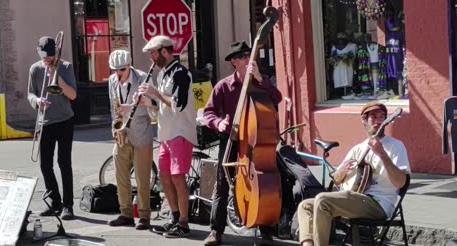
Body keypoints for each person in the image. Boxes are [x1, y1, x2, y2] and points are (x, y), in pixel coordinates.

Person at [201, 41, 283, 246]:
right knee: (221, 183)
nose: (248, 60)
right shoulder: (223, 86)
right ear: (234, 62)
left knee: (264, 183)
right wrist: (218, 123)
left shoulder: (260, 81)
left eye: (250, 56)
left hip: (256, 142)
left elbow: (277, 99)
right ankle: (216, 231)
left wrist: (260, 79)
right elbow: (207, 113)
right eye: (243, 57)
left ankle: (266, 229)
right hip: (230, 139)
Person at [297, 102, 410, 246]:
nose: (378, 121)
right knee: (305, 206)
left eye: (382, 117)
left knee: (322, 199)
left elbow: (401, 182)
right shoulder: (358, 149)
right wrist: (342, 171)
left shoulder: (396, 146)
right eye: (373, 117)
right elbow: (337, 180)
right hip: (353, 200)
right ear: (364, 120)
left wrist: (382, 153)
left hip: (378, 203)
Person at [137, 35, 197, 238]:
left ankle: (184, 222)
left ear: (164, 51)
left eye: (153, 53)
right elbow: (163, 106)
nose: (151, 58)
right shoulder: (162, 74)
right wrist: (149, 103)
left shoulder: (181, 73)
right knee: (164, 177)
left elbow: (178, 105)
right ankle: (173, 216)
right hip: (165, 134)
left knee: (178, 177)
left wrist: (155, 93)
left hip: (180, 131)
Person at [27, 36, 77, 220]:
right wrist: (37, 101)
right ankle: (55, 201)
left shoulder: (65, 66)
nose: (46, 60)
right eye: (44, 56)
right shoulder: (35, 68)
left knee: (64, 163)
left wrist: (57, 78)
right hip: (45, 122)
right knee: (45, 165)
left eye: (49, 56)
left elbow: (72, 95)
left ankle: (68, 205)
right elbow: (30, 93)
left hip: (64, 121)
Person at [106, 50, 154, 230]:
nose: (118, 74)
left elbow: (152, 107)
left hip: (140, 132)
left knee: (142, 177)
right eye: (114, 70)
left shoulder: (143, 78)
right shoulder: (112, 81)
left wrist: (131, 107)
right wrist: (114, 124)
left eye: (122, 70)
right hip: (122, 134)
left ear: (130, 64)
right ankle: (125, 213)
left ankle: (144, 215)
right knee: (120, 176)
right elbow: (113, 105)